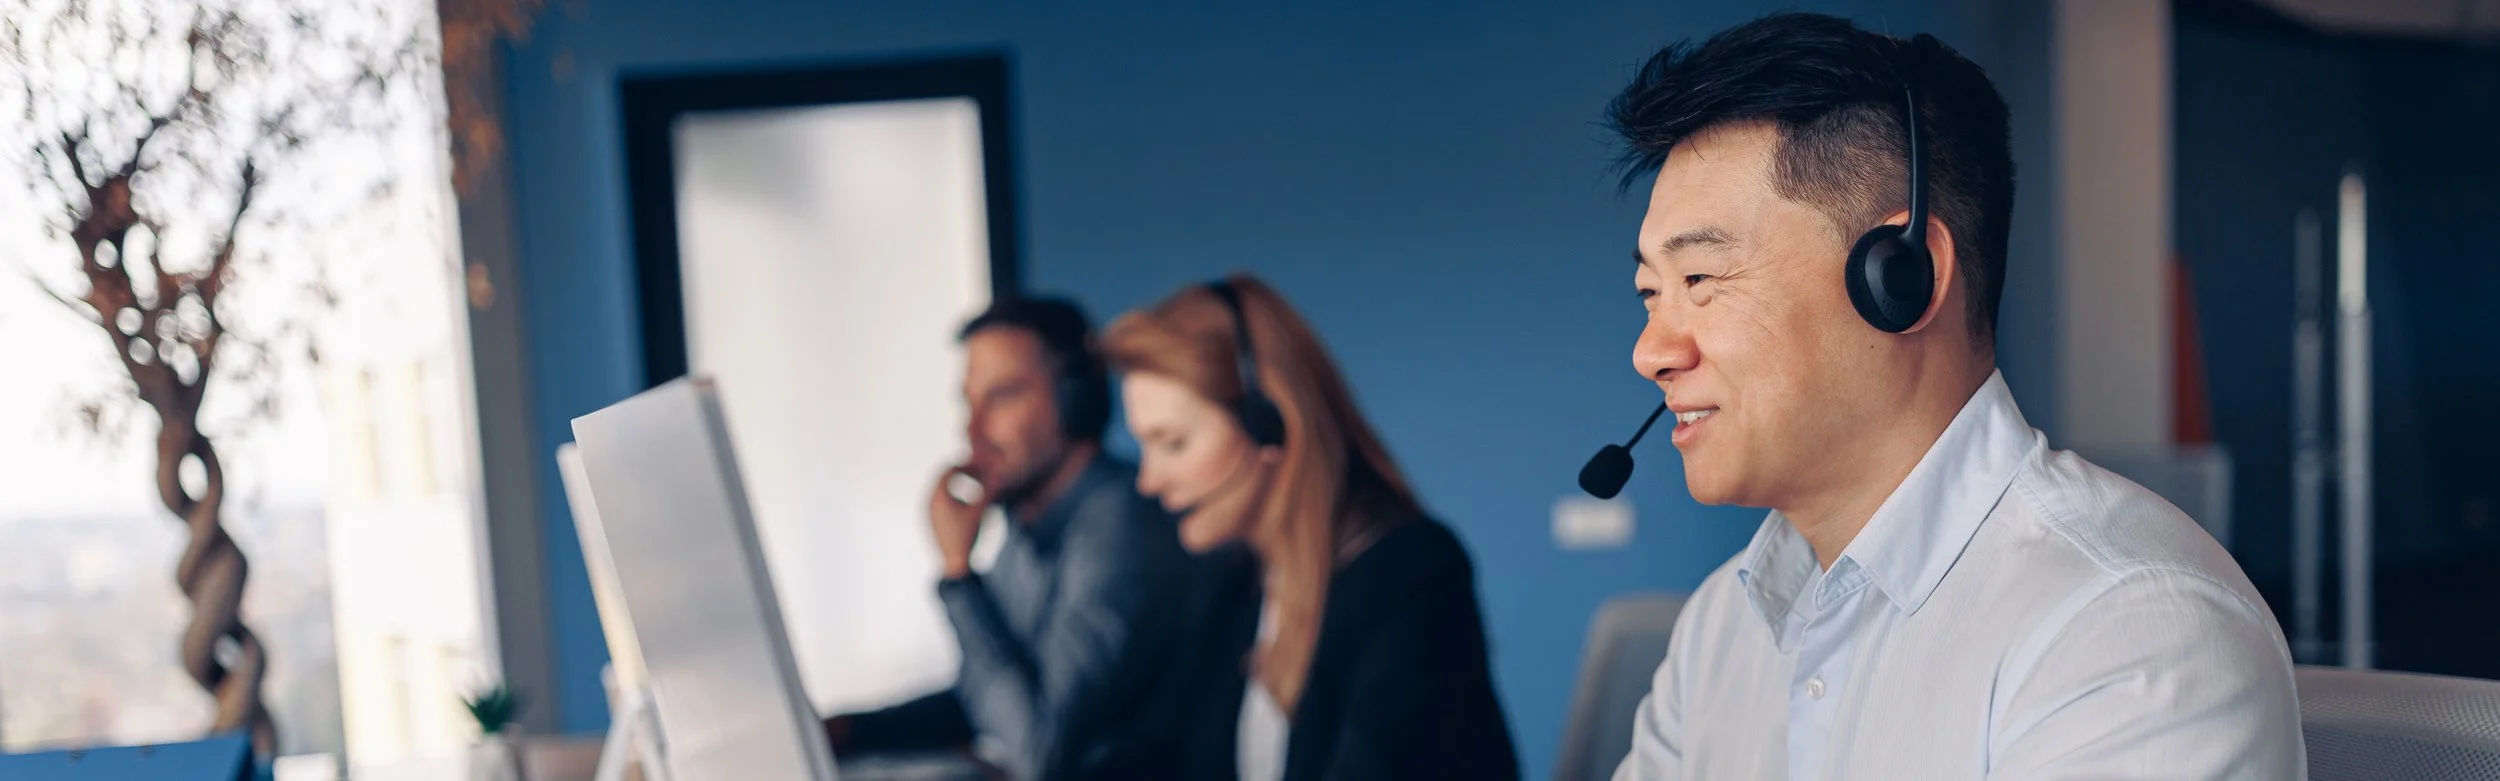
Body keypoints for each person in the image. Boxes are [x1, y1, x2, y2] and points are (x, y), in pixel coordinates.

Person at [1603, 13, 2302, 780]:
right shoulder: (1719, 627)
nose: (1650, 352)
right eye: (1649, 292)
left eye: (1700, 279)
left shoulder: (2130, 630)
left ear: (1901, 277)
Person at [1099, 274, 1519, 781]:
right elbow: (1148, 755)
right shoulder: (1229, 585)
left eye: (1173, 443)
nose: (1148, 480)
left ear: (1269, 423)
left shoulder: (1409, 573)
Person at [822, 297, 1191, 781]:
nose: (972, 429)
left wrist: (959, 574)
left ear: (1075, 400)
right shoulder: (1028, 525)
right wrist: (845, 732)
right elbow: (987, 700)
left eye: (1001, 396)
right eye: (968, 402)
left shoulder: (1121, 525)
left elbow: (1036, 747)